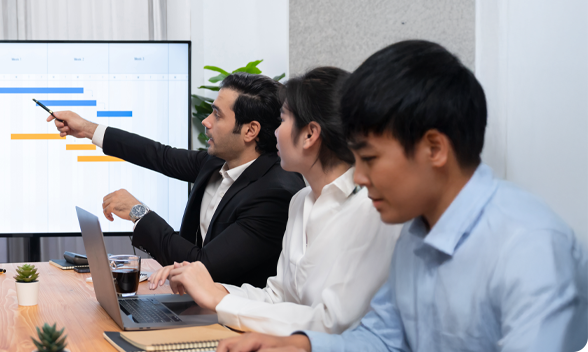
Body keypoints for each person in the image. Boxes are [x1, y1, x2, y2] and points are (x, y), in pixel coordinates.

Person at [215, 40, 587, 352]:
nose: (359, 176)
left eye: (371, 159)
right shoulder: (416, 234)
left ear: (434, 149)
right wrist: (303, 345)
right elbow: (383, 338)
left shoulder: (531, 248)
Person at [149, 67, 402, 336]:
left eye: (282, 121)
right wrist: (210, 287)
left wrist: (220, 301)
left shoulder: (371, 210)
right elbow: (277, 298)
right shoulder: (300, 201)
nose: (275, 133)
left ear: (310, 135)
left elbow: (331, 324)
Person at [50, 73, 305, 286]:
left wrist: (139, 213)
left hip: (234, 325)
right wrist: (86, 128)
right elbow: (159, 155)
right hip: (195, 305)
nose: (206, 121)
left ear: (250, 130)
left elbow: (204, 268)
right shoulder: (216, 162)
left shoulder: (274, 193)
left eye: (217, 115)